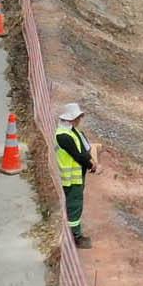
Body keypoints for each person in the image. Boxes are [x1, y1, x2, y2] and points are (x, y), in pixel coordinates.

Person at [53, 102, 95, 248]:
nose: (79, 120)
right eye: (78, 117)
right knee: (74, 207)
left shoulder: (71, 132)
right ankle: (75, 237)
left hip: (74, 178)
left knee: (72, 206)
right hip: (71, 180)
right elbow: (79, 155)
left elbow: (84, 150)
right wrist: (92, 165)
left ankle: (72, 235)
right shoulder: (64, 136)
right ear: (71, 118)